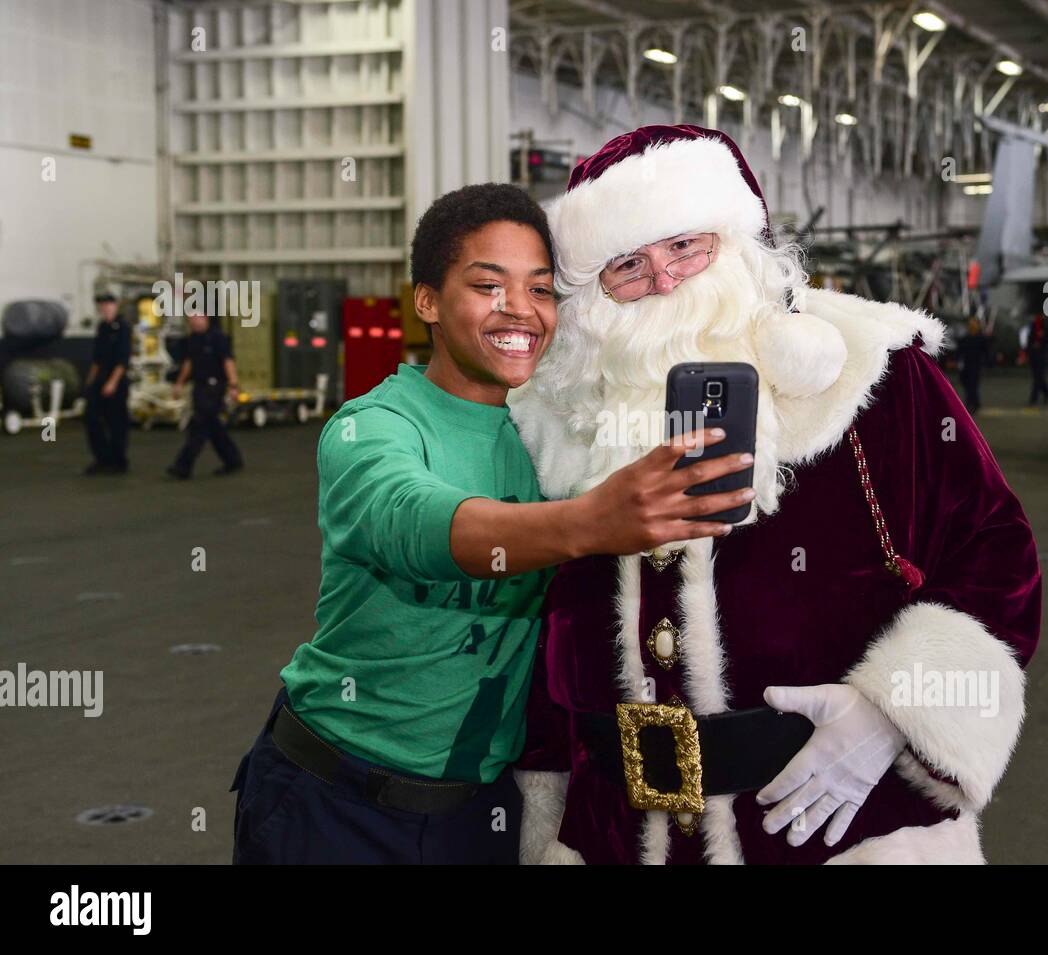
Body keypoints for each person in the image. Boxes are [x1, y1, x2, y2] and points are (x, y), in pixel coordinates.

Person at [509, 124, 1041, 865]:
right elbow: (538, 636)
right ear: (594, 295)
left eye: (685, 247)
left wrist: (891, 716)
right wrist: (541, 811)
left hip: (833, 828)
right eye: (628, 265)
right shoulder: (560, 421)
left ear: (737, 243)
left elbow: (994, 549)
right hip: (614, 833)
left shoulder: (873, 375)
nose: (665, 280)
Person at [229, 183, 752, 865]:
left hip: (477, 816)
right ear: (427, 302)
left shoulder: (546, 438)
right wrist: (590, 520)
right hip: (335, 804)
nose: (520, 310)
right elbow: (411, 521)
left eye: (541, 290)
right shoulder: (372, 426)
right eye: (487, 284)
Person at [166, 307, 243, 478]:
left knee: (199, 425)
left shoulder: (217, 338)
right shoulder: (193, 339)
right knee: (214, 427)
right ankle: (232, 459)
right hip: (199, 387)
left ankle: (183, 466)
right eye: (191, 318)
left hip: (214, 387)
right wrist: (179, 383)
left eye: (197, 317)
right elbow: (189, 363)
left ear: (205, 317)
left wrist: (233, 385)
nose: (193, 321)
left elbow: (227, 361)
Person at [83, 292, 131, 474]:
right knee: (91, 419)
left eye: (108, 304)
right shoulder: (102, 327)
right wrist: (90, 382)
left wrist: (112, 383)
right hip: (100, 379)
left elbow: (123, 360)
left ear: (115, 306)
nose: (105, 308)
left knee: (116, 423)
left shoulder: (123, 328)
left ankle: (118, 461)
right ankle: (102, 458)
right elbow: (97, 359)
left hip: (116, 381)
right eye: (102, 305)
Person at [955, 315, 990, 413]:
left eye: (974, 323)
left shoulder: (981, 338)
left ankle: (970, 404)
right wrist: (957, 361)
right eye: (970, 324)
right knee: (967, 384)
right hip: (966, 365)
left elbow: (986, 352)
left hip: (976, 364)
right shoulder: (965, 338)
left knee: (973, 385)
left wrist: (986, 364)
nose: (972, 325)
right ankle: (976, 402)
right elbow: (960, 351)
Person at [1025, 312, 1048, 407]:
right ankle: (1047, 393)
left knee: (1038, 376)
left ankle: (1033, 398)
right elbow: (1029, 338)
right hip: (1033, 353)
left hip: (1043, 352)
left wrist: (1043, 338)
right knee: (1037, 376)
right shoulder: (1034, 324)